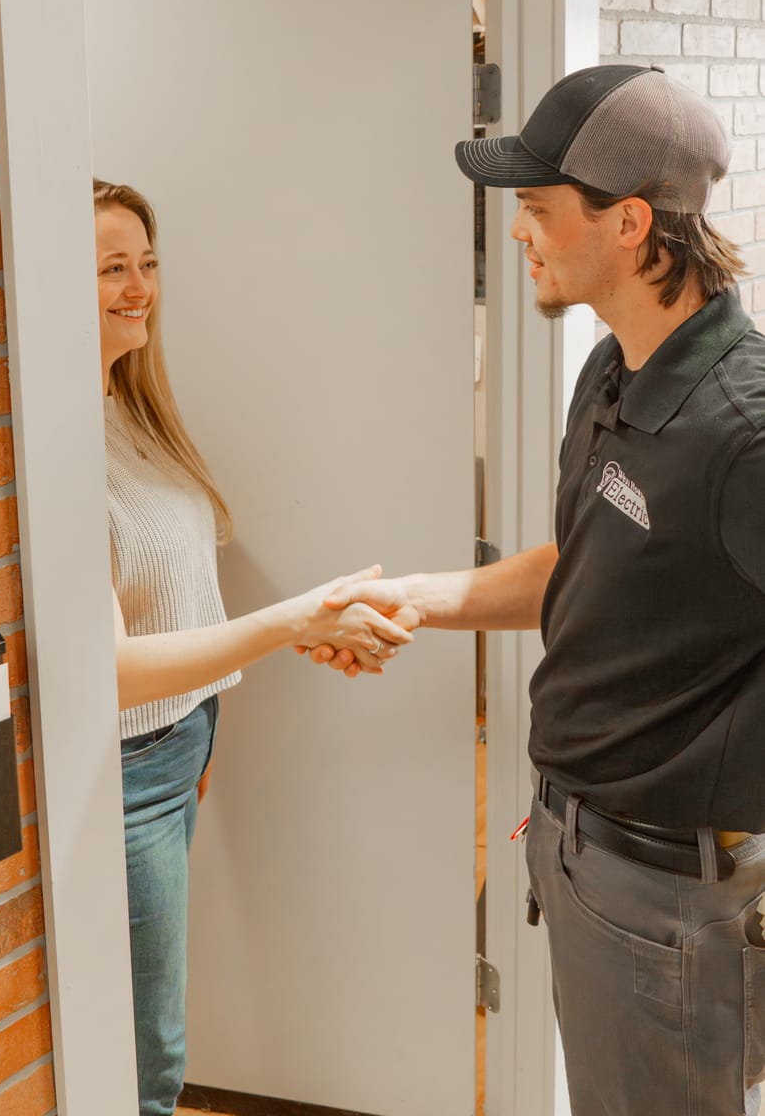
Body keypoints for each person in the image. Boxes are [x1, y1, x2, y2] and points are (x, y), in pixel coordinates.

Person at [308, 65, 765, 1115]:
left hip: (670, 897)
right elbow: (583, 563)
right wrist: (418, 599)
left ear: (632, 223)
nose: (518, 232)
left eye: (539, 208)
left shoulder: (744, 430)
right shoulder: (611, 372)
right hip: (574, 849)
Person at [93, 178, 412, 1116]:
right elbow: (107, 676)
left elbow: (174, 594)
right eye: (111, 267)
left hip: (181, 739)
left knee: (149, 1032)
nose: (139, 285)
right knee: (154, 1057)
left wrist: (205, 723)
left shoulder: (129, 405)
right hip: (128, 768)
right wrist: (298, 621)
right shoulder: (62, 447)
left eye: (147, 263)